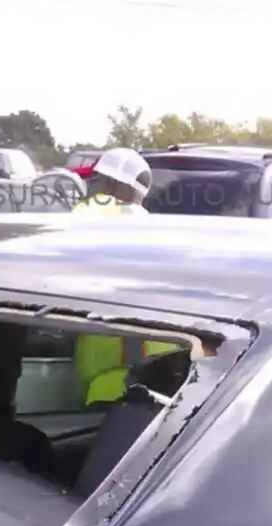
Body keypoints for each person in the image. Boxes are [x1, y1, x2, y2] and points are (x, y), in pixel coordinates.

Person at [69, 147, 182, 403]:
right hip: (163, 370)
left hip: (109, 370)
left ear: (111, 183)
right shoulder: (159, 231)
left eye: (98, 180)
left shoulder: (91, 215)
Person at [71, 146, 152, 216]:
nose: (88, 183)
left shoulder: (94, 220)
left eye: (94, 179)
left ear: (111, 183)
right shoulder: (149, 225)